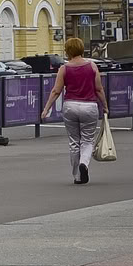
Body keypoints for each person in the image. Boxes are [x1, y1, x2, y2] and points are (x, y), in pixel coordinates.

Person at [41, 37, 108, 184]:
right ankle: (84, 163)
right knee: (87, 140)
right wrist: (105, 105)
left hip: (70, 106)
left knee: (74, 142)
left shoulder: (64, 68)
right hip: (89, 106)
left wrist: (46, 109)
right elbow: (99, 89)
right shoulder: (92, 66)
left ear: (68, 51)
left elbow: (56, 91)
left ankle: (77, 175)